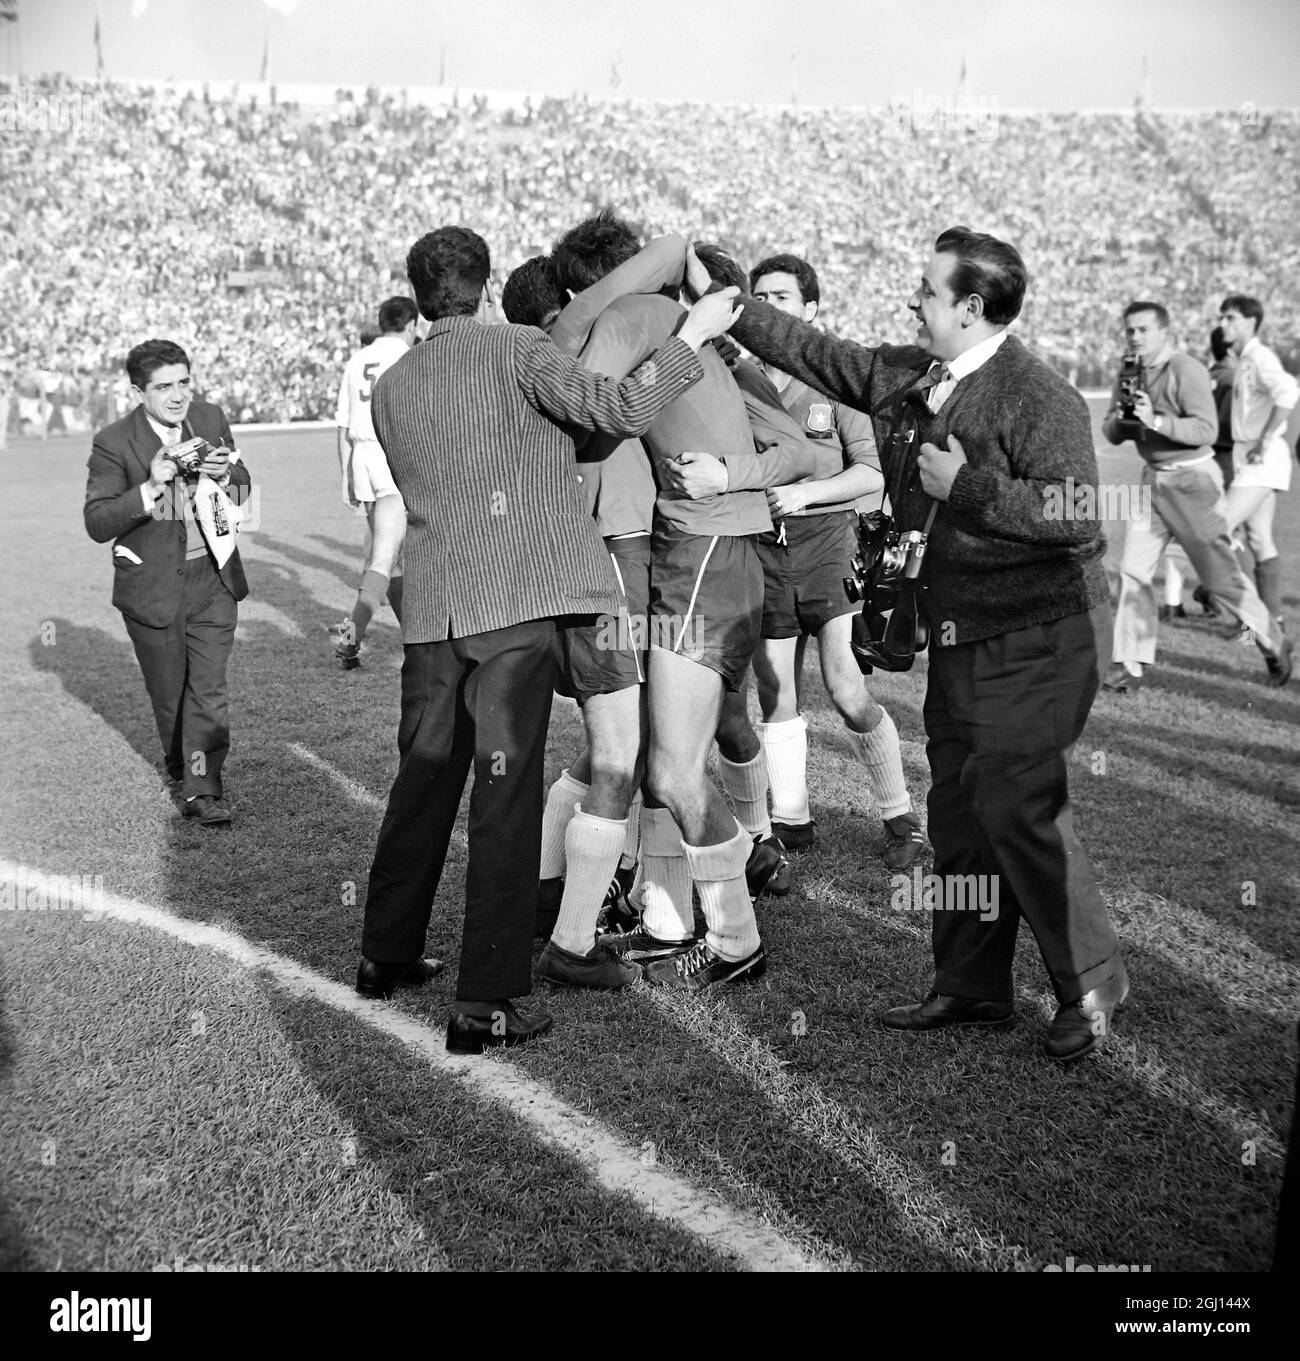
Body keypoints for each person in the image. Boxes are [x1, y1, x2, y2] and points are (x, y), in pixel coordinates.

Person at [686, 226, 1129, 1062]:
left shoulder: (1040, 395)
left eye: (927, 290)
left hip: (1042, 632)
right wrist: (735, 302)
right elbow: (829, 358)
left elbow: (1076, 515)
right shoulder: (917, 375)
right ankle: (971, 984)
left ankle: (1093, 978)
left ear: (970, 306)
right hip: (965, 635)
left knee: (1013, 802)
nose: (912, 301)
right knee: (958, 814)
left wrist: (967, 487)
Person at [354, 225, 743, 1054]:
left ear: (419, 292)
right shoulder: (519, 348)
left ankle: (383, 953)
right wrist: (694, 337)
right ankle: (486, 1001)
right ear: (486, 283)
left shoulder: (392, 384)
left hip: (431, 612)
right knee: (504, 799)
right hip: (515, 605)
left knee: (422, 785)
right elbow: (622, 408)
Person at [541, 218, 814, 991]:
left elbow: (583, 410)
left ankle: (735, 940)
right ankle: (681, 919)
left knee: (669, 769)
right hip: (712, 553)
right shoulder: (713, 343)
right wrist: (734, 470)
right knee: (672, 755)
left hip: (703, 556)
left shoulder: (632, 319)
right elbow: (800, 448)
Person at [741, 251, 923, 870]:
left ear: (811, 309)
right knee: (775, 689)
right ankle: (792, 820)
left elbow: (871, 475)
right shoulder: (738, 378)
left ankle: (901, 818)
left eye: (781, 297)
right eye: (758, 295)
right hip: (762, 549)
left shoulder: (834, 382)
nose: (767, 306)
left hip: (827, 545)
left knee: (846, 687)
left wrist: (803, 492)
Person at [83, 339, 252, 827]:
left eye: (183, 382)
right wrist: (151, 487)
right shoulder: (114, 441)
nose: (177, 395)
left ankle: (202, 789)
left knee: (208, 688)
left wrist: (229, 471)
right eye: (163, 387)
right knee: (170, 694)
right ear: (138, 391)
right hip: (153, 586)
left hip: (214, 578)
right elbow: (97, 522)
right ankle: (180, 765)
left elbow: (243, 487)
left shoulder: (210, 416)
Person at [1101, 301, 1290, 694]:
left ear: (1164, 332)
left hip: (1193, 482)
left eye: (1143, 330)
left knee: (1219, 578)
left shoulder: (1186, 369)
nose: (1134, 336)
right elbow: (1111, 430)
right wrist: (1123, 421)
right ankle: (1130, 664)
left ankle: (1272, 638)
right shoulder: (1129, 370)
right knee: (1133, 571)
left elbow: (1205, 430)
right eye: (1129, 330)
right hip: (1151, 480)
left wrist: (1155, 420)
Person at [329, 296, 418, 669]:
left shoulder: (356, 360)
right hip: (392, 454)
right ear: (411, 324)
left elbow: (343, 426)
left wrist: (347, 474)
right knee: (388, 557)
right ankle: (354, 638)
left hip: (363, 458)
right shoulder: (409, 356)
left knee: (389, 558)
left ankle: (411, 637)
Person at [1219, 294, 1299, 636]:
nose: (1223, 323)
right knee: (1259, 540)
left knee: (1217, 531)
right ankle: (1269, 624)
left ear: (1251, 322)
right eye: (1222, 317)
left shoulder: (1259, 356)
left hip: (1260, 458)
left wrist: (1265, 438)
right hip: (1251, 454)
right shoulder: (1246, 359)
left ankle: (1245, 614)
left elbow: (1288, 391)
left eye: (1231, 317)